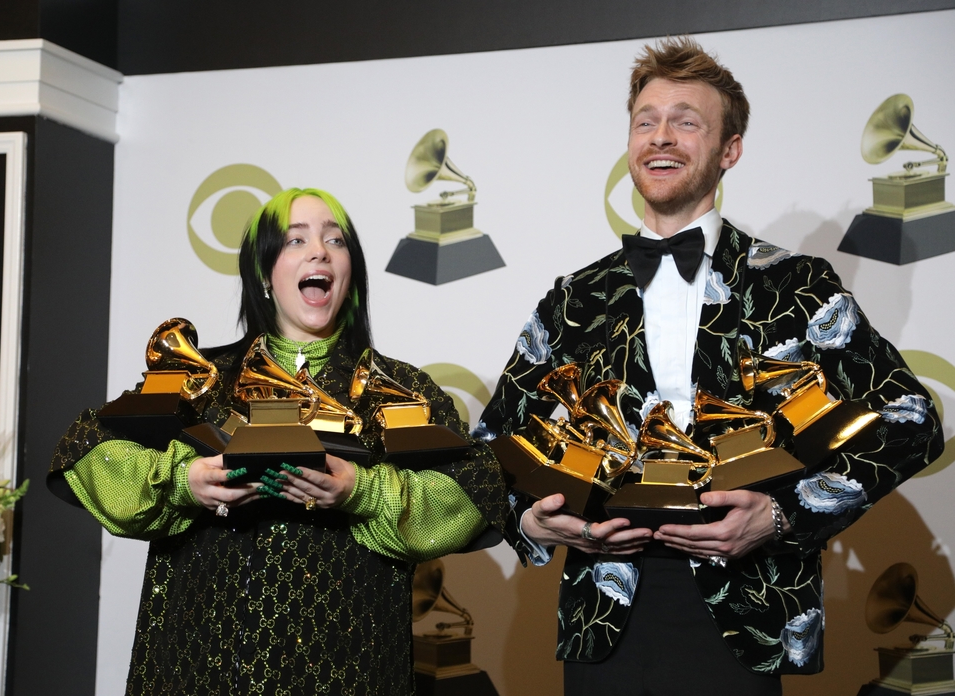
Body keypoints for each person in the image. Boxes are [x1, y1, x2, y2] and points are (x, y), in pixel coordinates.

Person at [475, 37, 943, 695]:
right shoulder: (576, 298)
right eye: (646, 121)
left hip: (742, 623)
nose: (661, 137)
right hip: (602, 622)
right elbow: (491, 443)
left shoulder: (796, 284)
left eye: (686, 121)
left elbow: (911, 420)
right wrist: (530, 521)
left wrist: (783, 516)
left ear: (729, 150)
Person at [48, 188, 506, 695]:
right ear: (265, 274)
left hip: (351, 669)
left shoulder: (401, 390)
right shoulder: (199, 377)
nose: (320, 251)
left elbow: (472, 491)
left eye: (336, 240)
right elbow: (88, 449)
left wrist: (363, 490)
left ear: (350, 273)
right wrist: (186, 481)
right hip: (197, 665)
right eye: (296, 241)